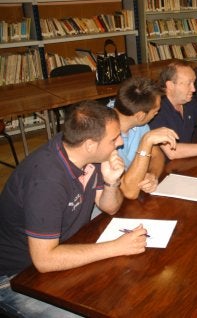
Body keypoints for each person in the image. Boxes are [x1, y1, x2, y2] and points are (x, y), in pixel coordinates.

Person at [0, 101, 147, 317]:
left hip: (64, 249)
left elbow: (110, 207)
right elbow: (44, 260)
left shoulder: (85, 154)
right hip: (16, 277)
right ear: (89, 144)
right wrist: (116, 247)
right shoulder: (46, 181)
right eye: (114, 138)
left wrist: (112, 182)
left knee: (128, 292)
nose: (120, 143)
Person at [112, 77, 178, 199]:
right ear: (140, 116)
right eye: (155, 112)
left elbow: (157, 156)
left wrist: (152, 175)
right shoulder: (104, 134)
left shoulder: (138, 122)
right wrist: (146, 140)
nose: (157, 114)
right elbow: (129, 192)